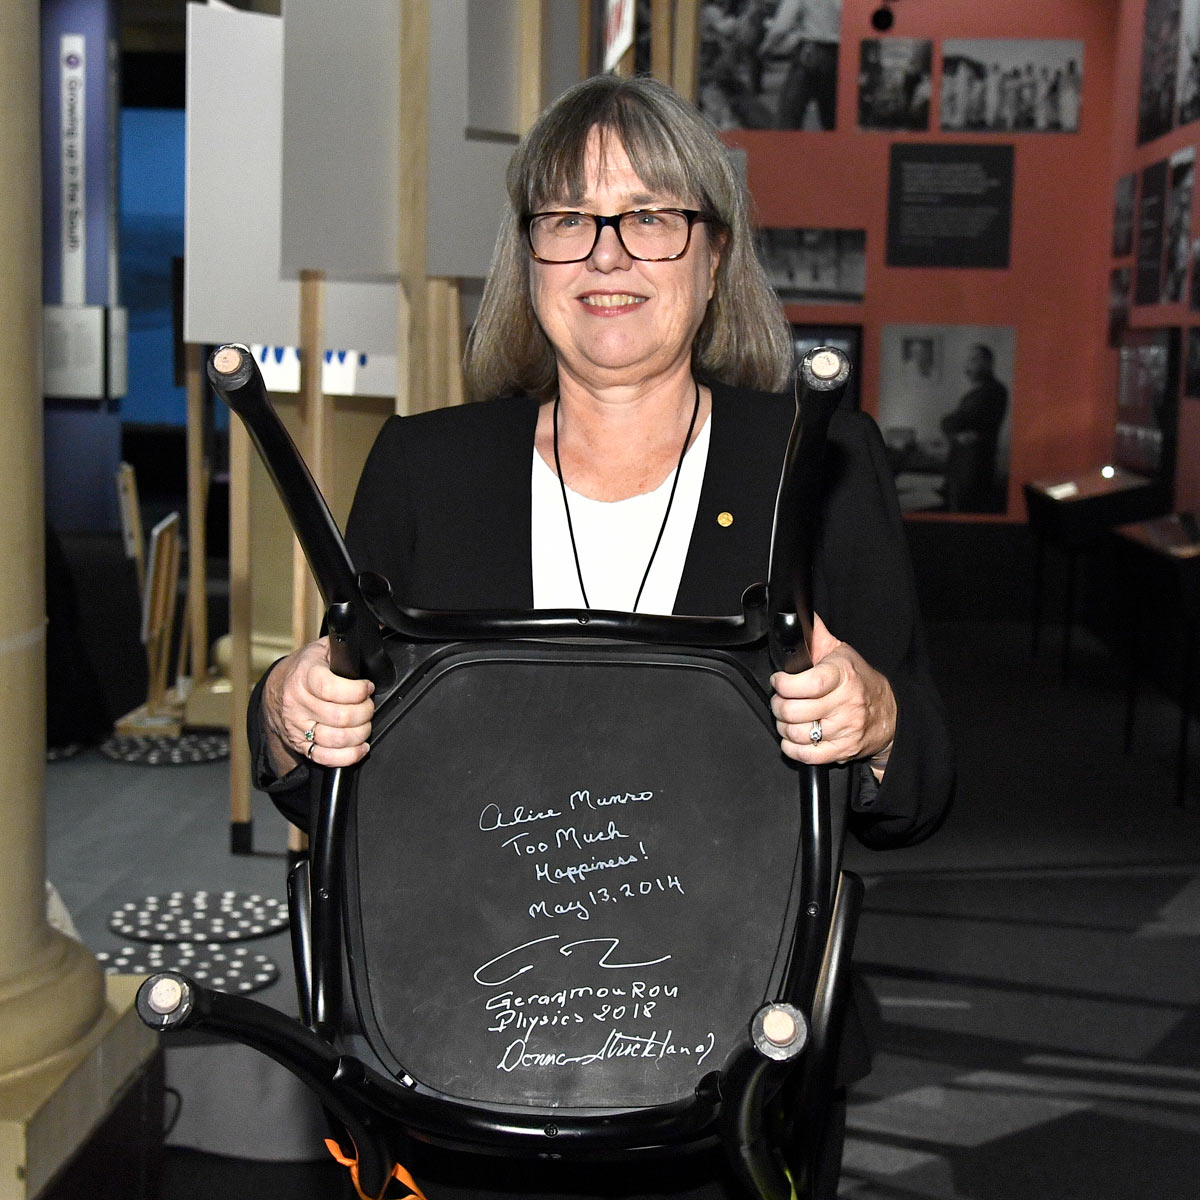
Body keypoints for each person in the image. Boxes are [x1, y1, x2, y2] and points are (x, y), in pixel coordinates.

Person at [250, 73, 954, 1199]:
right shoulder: (429, 468)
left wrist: (871, 717)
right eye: (569, 219)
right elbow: (333, 774)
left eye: (652, 217)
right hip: (455, 1060)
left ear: (713, 256)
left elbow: (916, 789)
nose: (607, 254)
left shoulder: (815, 462)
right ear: (529, 257)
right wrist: (291, 711)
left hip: (736, 1083)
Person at [939, 343, 1008, 513]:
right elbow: (952, 423)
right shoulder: (973, 394)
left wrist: (951, 426)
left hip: (975, 469)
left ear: (988, 363)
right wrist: (955, 432)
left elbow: (956, 421)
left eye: (974, 360)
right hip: (962, 466)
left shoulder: (994, 391)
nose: (968, 366)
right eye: (968, 360)